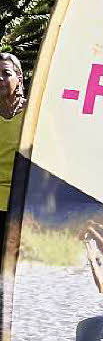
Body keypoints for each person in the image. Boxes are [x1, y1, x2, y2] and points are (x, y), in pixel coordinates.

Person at [0, 53, 26, 246]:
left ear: (19, 78)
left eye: (6, 73)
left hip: (23, 204)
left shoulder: (34, 114)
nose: (0, 78)